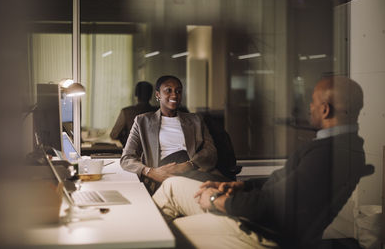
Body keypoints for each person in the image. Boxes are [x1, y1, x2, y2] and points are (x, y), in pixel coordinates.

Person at [152, 76, 369, 249]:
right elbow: (289, 184)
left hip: (257, 233)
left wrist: (215, 199)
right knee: (171, 186)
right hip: (253, 216)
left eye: (312, 101)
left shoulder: (328, 155)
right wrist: (242, 185)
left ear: (325, 109)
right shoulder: (341, 147)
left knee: (164, 233)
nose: (309, 107)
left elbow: (272, 207)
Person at [120, 75, 224, 193]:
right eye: (168, 90)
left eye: (178, 91)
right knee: (216, 189)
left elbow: (210, 151)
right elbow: (126, 158)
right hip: (162, 175)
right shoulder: (142, 121)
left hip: (193, 169)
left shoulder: (195, 120)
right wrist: (151, 172)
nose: (174, 95)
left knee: (223, 189)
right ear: (158, 95)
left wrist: (189, 165)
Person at [110, 81, 157, 146]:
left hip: (132, 151)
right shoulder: (157, 111)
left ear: (136, 94)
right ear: (151, 95)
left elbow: (114, 135)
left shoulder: (126, 112)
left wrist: (125, 139)